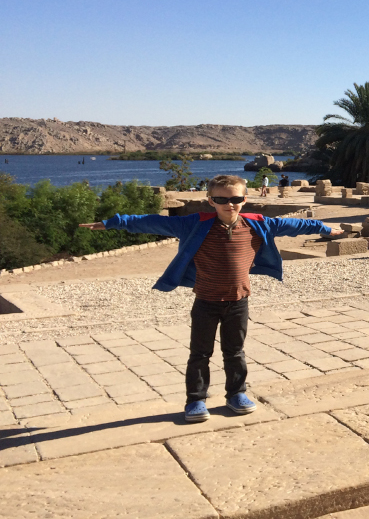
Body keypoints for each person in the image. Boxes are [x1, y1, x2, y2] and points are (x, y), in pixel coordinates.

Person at [78, 174, 333, 423]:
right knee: (200, 353)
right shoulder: (195, 223)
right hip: (206, 303)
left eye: (234, 199)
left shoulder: (258, 224)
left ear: (245, 199)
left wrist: (328, 229)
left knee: (235, 352)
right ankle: (195, 400)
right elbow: (150, 222)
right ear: (211, 200)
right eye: (221, 200)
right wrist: (112, 222)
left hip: (238, 302)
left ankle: (236, 395)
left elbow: (300, 226)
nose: (228, 205)